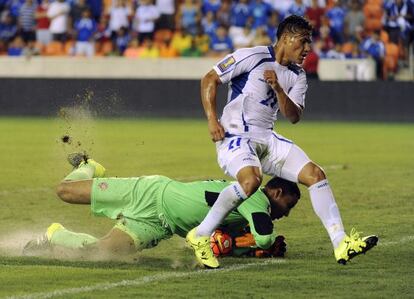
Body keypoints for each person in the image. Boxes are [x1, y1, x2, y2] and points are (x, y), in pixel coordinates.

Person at [186, 15, 378, 269]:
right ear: (287, 38)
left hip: (267, 137)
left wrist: (278, 88)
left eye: (309, 42)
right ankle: (200, 235)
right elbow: (209, 79)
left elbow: (294, 116)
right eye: (304, 41)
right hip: (236, 136)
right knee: (251, 181)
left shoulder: (298, 76)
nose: (308, 49)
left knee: (315, 174)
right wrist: (212, 120)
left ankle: (341, 243)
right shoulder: (252, 56)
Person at [23, 153, 299, 260]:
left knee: (102, 253)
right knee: (65, 191)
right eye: (288, 204)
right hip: (151, 193)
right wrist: (264, 243)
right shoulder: (256, 197)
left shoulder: (248, 214)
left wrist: (249, 251)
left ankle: (53, 235)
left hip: (158, 224)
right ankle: (89, 166)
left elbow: (225, 243)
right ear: (274, 191)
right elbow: (263, 235)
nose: (287, 212)